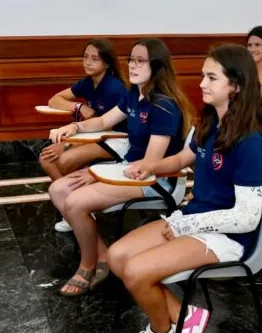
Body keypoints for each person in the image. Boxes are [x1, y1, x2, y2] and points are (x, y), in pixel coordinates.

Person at [106, 44, 262, 333]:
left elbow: (247, 217)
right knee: (116, 257)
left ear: (235, 86)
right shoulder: (211, 122)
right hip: (194, 218)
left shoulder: (250, 142)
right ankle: (187, 315)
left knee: (137, 273)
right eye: (202, 76)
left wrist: (187, 226)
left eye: (211, 77)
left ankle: (162, 330)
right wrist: (152, 167)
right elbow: (185, 157)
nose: (202, 84)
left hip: (227, 237)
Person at [48, 38, 194, 296]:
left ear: (157, 66)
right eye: (131, 60)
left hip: (155, 181)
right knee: (58, 190)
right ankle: (101, 254)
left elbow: (149, 165)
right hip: (128, 170)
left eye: (141, 61)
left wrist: (97, 175)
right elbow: (104, 120)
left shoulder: (163, 105)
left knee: (74, 203)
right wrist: (76, 126)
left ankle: (87, 265)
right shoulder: (134, 95)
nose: (133, 66)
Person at [39, 39, 129, 232]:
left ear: (107, 63)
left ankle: (80, 207)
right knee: (47, 158)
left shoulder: (115, 88)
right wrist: (79, 106)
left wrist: (70, 142)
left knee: (64, 160)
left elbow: (106, 126)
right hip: (95, 134)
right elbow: (54, 100)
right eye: (85, 57)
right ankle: (70, 208)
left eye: (94, 58)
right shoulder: (88, 83)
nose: (88, 62)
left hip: (118, 139)